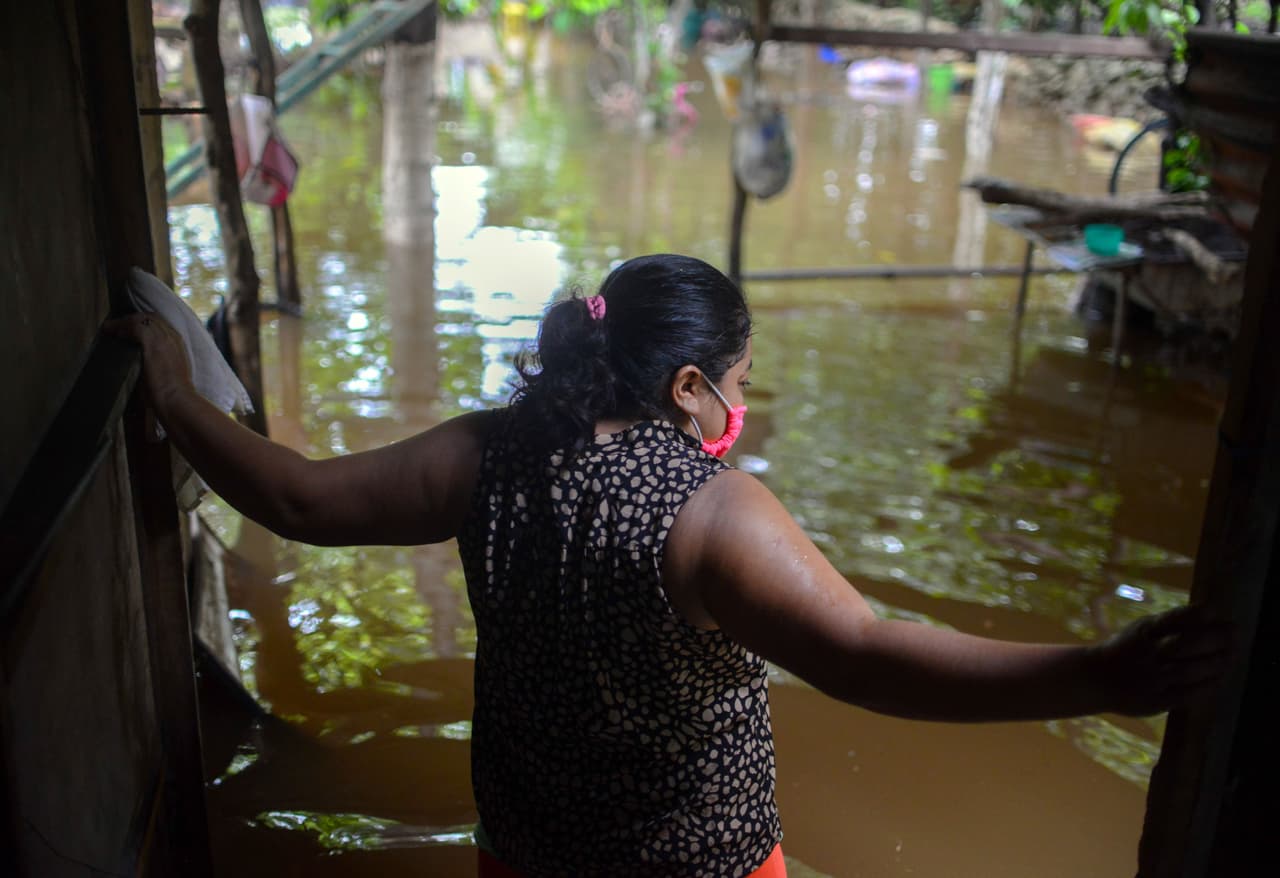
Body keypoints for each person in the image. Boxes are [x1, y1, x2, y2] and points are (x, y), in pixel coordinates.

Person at [106, 253, 1232, 878]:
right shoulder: (712, 514)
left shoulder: (483, 455)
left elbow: (293, 494)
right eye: (736, 381)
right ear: (687, 384)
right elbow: (868, 656)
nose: (740, 405)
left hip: (526, 854)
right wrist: (1099, 674)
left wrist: (166, 394)